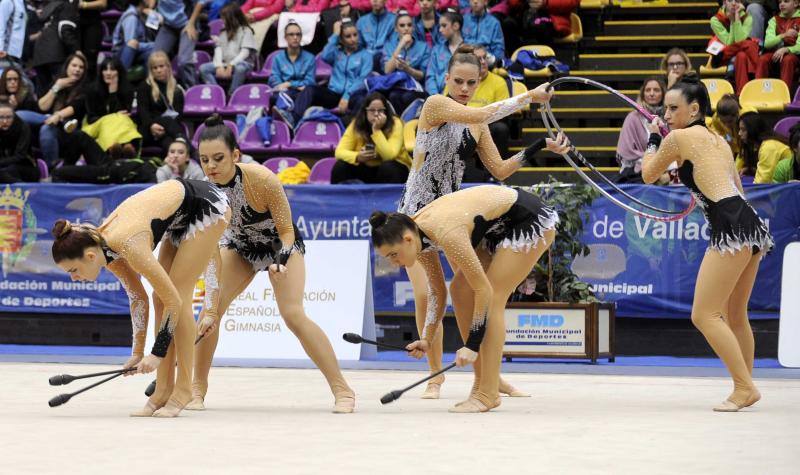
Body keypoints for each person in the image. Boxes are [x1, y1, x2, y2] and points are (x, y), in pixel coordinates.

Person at [398, 46, 565, 398]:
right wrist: (527, 97)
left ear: (480, 82)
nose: (464, 88)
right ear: (446, 79)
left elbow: (501, 170)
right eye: (458, 81)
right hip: (417, 216)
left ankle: (488, 374)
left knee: (469, 290)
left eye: (471, 83)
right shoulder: (435, 105)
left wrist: (539, 146)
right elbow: (485, 113)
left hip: (456, 217)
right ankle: (434, 375)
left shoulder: (477, 125)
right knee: (430, 291)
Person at [188, 114, 357, 413]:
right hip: (240, 248)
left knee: (293, 314)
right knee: (208, 314)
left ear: (236, 155)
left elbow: (287, 231)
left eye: (218, 158)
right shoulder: (204, 192)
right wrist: (212, 302)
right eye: (204, 160)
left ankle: (342, 390)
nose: (211, 166)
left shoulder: (262, 179)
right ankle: (196, 390)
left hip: (281, 247)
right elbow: (211, 248)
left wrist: (280, 261)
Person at [642, 74, 773, 412]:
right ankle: (746, 383)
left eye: (673, 108)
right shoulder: (717, 140)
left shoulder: (678, 138)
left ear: (695, 108)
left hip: (730, 225)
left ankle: (744, 387)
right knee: (734, 313)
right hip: (750, 221)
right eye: (664, 109)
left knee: (704, 314)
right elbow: (737, 189)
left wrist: (654, 138)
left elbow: (646, 174)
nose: (667, 114)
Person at [51, 178, 230, 417]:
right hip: (179, 215)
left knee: (177, 294)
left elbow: (174, 301)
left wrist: (156, 353)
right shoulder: (106, 249)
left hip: (205, 205)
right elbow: (138, 299)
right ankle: (163, 389)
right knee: (159, 297)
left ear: (90, 256)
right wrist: (137, 353)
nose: (74, 278)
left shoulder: (128, 244)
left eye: (73, 270)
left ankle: (184, 389)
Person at [371, 184, 558, 412]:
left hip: (527, 219)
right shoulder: (419, 238)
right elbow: (438, 291)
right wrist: (427, 339)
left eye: (393, 254)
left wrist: (472, 344)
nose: (393, 262)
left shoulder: (446, 232)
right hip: (495, 225)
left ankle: (487, 393)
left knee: (494, 296)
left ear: (408, 239)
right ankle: (481, 385)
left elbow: (484, 291)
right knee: (459, 290)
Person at [277, 19, 372, 127]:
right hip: (333, 94)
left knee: (362, 100)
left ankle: (349, 129)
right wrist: (335, 35)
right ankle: (293, 120)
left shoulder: (366, 55)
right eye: (348, 36)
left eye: (355, 35)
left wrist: (347, 96)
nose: (353, 39)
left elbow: (362, 79)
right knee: (310, 89)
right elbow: (324, 55)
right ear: (341, 39)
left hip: (353, 95)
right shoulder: (337, 53)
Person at [333, 92, 411, 183]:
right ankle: (339, 196)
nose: (376, 114)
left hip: (395, 169)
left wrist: (376, 130)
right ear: (365, 111)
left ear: (386, 111)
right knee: (340, 166)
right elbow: (339, 152)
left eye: (380, 110)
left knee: (388, 167)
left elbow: (389, 156)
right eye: (372, 110)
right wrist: (358, 157)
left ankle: (392, 197)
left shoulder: (396, 124)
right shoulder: (356, 124)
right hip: (367, 168)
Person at [36, 53, 89, 169]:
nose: (77, 70)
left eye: (81, 67)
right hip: (50, 122)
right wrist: (57, 86)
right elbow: (42, 106)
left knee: (46, 127)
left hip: (70, 130)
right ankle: (52, 168)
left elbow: (74, 108)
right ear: (67, 67)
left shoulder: (85, 89)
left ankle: (54, 170)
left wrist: (57, 116)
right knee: (21, 116)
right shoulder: (57, 83)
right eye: (74, 65)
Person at [81, 56, 141, 155]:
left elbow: (126, 114)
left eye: (112, 69)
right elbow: (91, 118)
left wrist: (113, 92)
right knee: (115, 119)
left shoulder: (128, 90)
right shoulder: (92, 90)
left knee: (122, 119)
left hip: (121, 124)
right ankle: (117, 147)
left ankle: (122, 149)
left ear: (119, 72)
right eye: (105, 69)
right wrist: (112, 116)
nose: (108, 73)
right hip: (96, 125)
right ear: (101, 72)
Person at [615, 77, 667, 183]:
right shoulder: (633, 117)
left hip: (667, 171)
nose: (651, 93)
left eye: (656, 90)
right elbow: (625, 152)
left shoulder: (669, 116)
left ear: (663, 94)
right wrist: (653, 162)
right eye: (648, 90)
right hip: (638, 174)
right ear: (643, 94)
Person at [199, 3, 257, 96]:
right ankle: (216, 93)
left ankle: (232, 94)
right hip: (226, 63)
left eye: (224, 18)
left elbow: (244, 53)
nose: (222, 20)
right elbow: (218, 50)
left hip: (242, 63)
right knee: (204, 68)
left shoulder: (246, 31)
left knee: (240, 69)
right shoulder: (223, 32)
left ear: (232, 18)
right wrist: (219, 66)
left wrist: (231, 64)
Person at [379, 10, 431, 113]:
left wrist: (408, 69)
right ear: (396, 28)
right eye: (402, 25)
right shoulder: (389, 46)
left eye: (409, 25)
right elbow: (387, 70)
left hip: (415, 87)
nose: (406, 28)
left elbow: (422, 75)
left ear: (413, 27)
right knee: (392, 95)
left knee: (406, 97)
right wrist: (401, 44)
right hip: (395, 86)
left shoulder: (423, 47)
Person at [137, 51, 187, 153]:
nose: (158, 70)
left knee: (169, 143)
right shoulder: (144, 86)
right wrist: (152, 126)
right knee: (167, 120)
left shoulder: (177, 89)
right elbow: (143, 113)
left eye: (161, 66)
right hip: (148, 131)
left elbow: (179, 115)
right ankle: (185, 143)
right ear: (151, 70)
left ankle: (175, 164)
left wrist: (164, 129)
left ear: (168, 67)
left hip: (168, 132)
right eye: (155, 68)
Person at [31, 0, 80, 95]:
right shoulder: (67, 6)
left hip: (39, 55)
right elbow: (65, 30)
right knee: (60, 90)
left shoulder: (49, 6)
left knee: (43, 91)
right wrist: (76, 50)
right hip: (56, 54)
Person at [710, 0, 760, 93]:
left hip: (742, 51)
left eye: (737, 1)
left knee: (741, 56)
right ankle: (758, 77)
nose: (733, 3)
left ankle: (742, 94)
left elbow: (739, 40)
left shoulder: (747, 18)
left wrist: (736, 17)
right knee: (749, 44)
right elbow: (729, 42)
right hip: (723, 54)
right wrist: (733, 22)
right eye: (730, 0)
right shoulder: (715, 20)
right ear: (724, 2)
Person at [153, 0, 205, 87]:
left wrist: (191, 23)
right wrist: (149, 9)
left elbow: (201, 2)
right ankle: (160, 90)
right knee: (154, 58)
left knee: (184, 61)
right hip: (168, 25)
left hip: (187, 23)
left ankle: (192, 91)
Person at [268, 20, 316, 109]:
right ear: (285, 37)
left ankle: (286, 113)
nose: (295, 37)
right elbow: (274, 79)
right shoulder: (278, 58)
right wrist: (284, 87)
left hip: (302, 93)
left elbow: (310, 82)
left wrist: (290, 84)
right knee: (275, 97)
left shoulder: (310, 58)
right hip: (283, 92)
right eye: (291, 34)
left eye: (298, 34)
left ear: (301, 37)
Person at [756, 0, 800, 90]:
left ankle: (784, 94)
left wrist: (786, 49)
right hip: (776, 53)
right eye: (780, 2)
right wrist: (783, 35)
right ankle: (758, 91)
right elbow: (767, 44)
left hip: (795, 55)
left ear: (796, 3)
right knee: (763, 59)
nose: (782, 4)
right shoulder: (774, 20)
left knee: (788, 60)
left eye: (786, 1)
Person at [736, 110, 792, 182]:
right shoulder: (756, 145)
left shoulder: (769, 147)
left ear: (753, 130)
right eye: (740, 129)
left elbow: (762, 182)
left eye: (743, 130)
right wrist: (750, 170)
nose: (739, 133)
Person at [425, 8, 463, 96]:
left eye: (444, 25)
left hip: (460, 97)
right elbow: (430, 76)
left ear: (456, 26)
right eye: (440, 26)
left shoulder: (468, 49)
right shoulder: (437, 50)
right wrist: (435, 96)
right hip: (437, 97)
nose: (440, 30)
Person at [0, 102, 39, 183]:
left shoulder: (23, 127)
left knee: (8, 171)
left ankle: (25, 188)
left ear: (14, 117)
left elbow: (20, 156)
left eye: (9, 117)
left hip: (25, 166)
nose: (4, 121)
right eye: (1, 117)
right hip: (4, 166)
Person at [112, 0, 155, 70]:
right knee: (135, 44)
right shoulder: (131, 17)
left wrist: (154, 16)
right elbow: (130, 44)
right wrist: (154, 45)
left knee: (151, 54)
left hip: (136, 52)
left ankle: (150, 80)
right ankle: (122, 77)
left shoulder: (142, 13)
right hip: (121, 53)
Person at [461, 0, 504, 65]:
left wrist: (494, 60)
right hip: (466, 59)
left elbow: (499, 48)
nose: (475, 1)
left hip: (486, 59)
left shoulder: (494, 23)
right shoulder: (463, 20)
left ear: (486, 2)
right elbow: (458, 42)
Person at [76, 0, 107, 79]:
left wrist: (83, 5)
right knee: (74, 58)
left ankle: (90, 88)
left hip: (92, 23)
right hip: (74, 23)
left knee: (90, 62)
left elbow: (103, 3)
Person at [707, 93, 741, 158]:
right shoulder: (716, 119)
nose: (727, 125)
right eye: (723, 122)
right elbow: (722, 134)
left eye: (730, 121)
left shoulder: (745, 118)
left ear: (737, 115)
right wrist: (729, 139)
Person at [0, 0, 27, 71]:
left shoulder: (22, 3)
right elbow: (1, 27)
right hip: (6, 53)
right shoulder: (7, 2)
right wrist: (1, 49)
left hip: (18, 54)